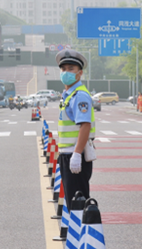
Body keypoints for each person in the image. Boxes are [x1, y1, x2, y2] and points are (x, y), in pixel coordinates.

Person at [55, 49, 95, 210]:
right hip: (68, 155)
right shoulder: (68, 95)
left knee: (78, 201)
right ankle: (76, 234)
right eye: (63, 69)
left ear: (80, 73)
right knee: (73, 202)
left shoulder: (79, 96)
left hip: (75, 155)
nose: (66, 72)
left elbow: (85, 125)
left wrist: (77, 154)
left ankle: (83, 234)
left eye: (71, 69)